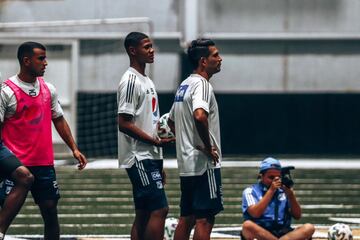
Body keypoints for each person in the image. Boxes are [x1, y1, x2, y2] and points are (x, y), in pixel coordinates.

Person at [0, 41, 87, 240]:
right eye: (41, 58)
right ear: (26, 61)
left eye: (45, 58)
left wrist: (74, 148)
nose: (45, 63)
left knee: (50, 211)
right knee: (5, 207)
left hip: (43, 163)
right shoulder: (7, 91)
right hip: (16, 165)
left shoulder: (49, 89)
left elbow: (58, 118)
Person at [117, 32, 173, 240]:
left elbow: (148, 121)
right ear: (133, 51)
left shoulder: (147, 80)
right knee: (160, 209)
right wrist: (154, 142)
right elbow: (124, 123)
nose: (152, 51)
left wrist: (158, 157)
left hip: (150, 156)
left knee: (143, 213)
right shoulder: (131, 81)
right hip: (139, 156)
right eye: (146, 47)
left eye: (152, 46)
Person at [168, 38, 223, 240]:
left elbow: (171, 122)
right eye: (215, 55)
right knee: (204, 219)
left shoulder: (184, 85)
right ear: (203, 61)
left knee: (186, 217)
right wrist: (208, 147)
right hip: (204, 165)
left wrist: (186, 141)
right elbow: (200, 116)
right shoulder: (202, 85)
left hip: (187, 163)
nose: (220, 58)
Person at [241, 157, 315, 240]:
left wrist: (291, 195)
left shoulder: (284, 190)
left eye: (278, 177)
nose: (275, 181)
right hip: (262, 233)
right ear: (261, 177)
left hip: (284, 233)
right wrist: (271, 191)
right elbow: (255, 213)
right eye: (271, 177)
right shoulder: (250, 191)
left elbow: (297, 216)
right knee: (247, 226)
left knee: (309, 227)